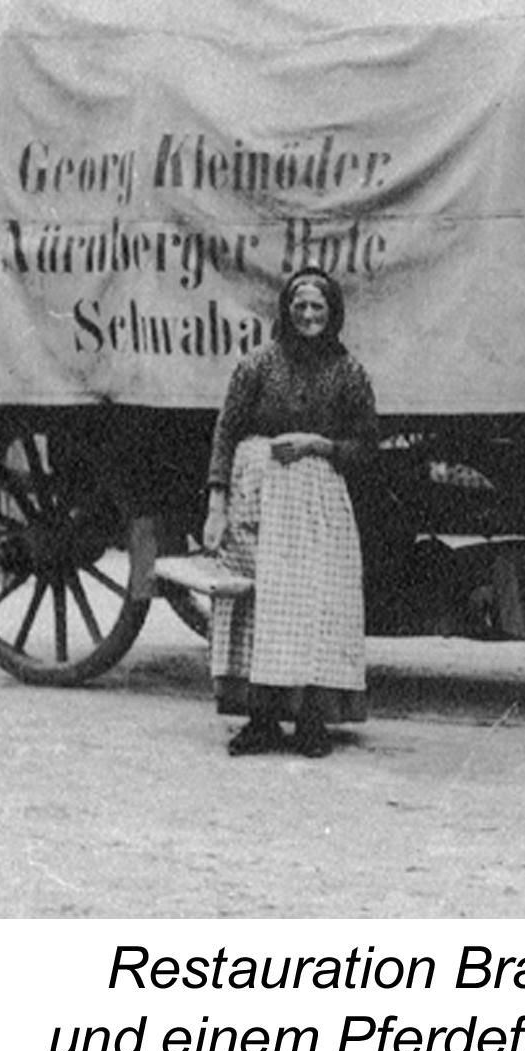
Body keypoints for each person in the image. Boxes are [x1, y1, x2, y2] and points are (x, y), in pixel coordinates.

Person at [202, 266, 379, 758]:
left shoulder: (348, 373)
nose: (307, 315)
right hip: (255, 496)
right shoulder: (257, 364)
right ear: (285, 310)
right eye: (299, 306)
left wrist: (319, 443)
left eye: (317, 307)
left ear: (332, 313)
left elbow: (367, 445)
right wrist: (217, 504)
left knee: (315, 605)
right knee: (259, 605)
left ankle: (310, 721)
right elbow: (226, 432)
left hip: (318, 503)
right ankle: (260, 721)